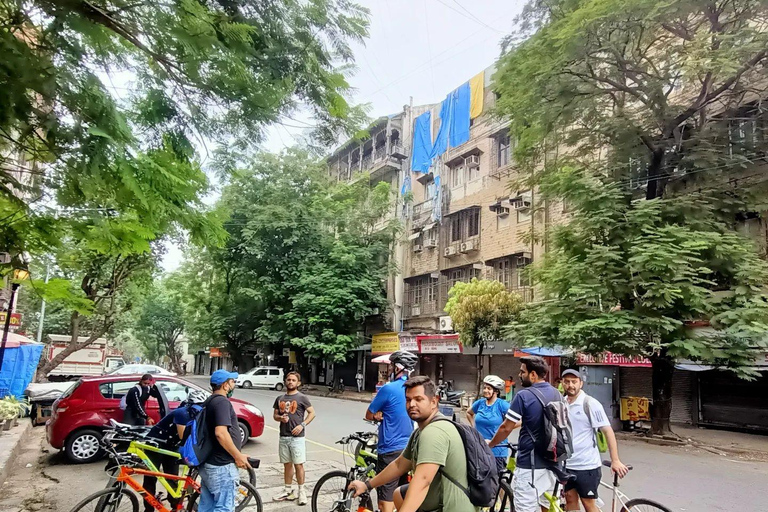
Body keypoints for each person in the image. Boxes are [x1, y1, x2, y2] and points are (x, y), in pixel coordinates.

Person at [349, 376, 478, 512]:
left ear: (434, 402)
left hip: (450, 508)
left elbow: (422, 481)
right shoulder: (420, 432)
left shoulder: (434, 432)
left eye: (418, 399)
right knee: (399, 493)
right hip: (433, 505)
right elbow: (399, 465)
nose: (411, 405)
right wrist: (367, 485)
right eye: (408, 400)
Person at [488, 356, 563, 512]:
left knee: (524, 508)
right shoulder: (557, 394)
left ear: (533, 374)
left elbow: (505, 428)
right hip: (554, 462)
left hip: (531, 465)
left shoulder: (523, 396)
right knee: (547, 506)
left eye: (522, 372)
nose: (519, 375)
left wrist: (490, 444)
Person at [561, 369, 629, 512]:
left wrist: (615, 460)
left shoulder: (590, 404)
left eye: (574, 382)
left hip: (587, 466)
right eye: (567, 382)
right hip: (567, 464)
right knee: (570, 499)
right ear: (562, 383)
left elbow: (607, 431)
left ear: (581, 383)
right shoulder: (562, 403)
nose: (570, 385)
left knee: (589, 505)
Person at [364, 351, 417, 512]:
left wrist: (378, 416)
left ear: (399, 367)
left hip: (390, 449)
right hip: (411, 447)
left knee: (385, 501)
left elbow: (369, 414)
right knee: (401, 495)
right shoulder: (415, 389)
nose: (390, 369)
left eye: (392, 366)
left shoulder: (388, 388)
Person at [142, 390, 207, 512]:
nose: (199, 409)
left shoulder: (197, 415)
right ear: (190, 404)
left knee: (172, 478)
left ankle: (175, 506)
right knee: (151, 478)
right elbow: (184, 437)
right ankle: (149, 508)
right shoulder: (182, 413)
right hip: (155, 444)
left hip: (171, 446)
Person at [199, 369, 250, 512]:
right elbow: (221, 433)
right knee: (224, 508)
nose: (234, 384)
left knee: (207, 507)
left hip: (209, 463)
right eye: (232, 381)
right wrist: (237, 456)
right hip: (221, 466)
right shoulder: (222, 402)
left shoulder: (210, 401)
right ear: (224, 385)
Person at [272, 371, 316, 506]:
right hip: (283, 436)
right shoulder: (280, 398)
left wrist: (302, 425)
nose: (290, 382)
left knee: (298, 464)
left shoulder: (302, 397)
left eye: (293, 380)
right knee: (287, 465)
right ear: (285, 381)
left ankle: (301, 491)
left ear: (298, 383)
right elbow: (275, 415)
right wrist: (280, 418)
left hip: (297, 438)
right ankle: (288, 490)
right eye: (288, 379)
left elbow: (312, 413)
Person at [466, 375, 510, 473]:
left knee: (499, 481)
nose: (485, 390)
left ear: (496, 391)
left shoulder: (502, 405)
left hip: (498, 450)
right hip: (480, 448)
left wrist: (505, 427)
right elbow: (469, 413)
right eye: (484, 388)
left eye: (489, 388)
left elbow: (519, 421)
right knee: (480, 478)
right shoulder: (480, 403)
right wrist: (474, 428)